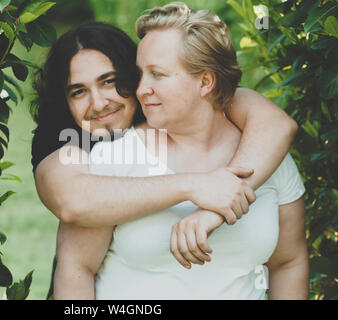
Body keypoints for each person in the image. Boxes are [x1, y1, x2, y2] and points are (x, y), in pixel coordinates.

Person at [50, 3, 309, 299]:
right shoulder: (113, 158)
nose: (141, 88)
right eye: (140, 74)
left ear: (205, 81)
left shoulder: (266, 155)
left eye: (157, 74)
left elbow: (288, 262)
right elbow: (76, 269)